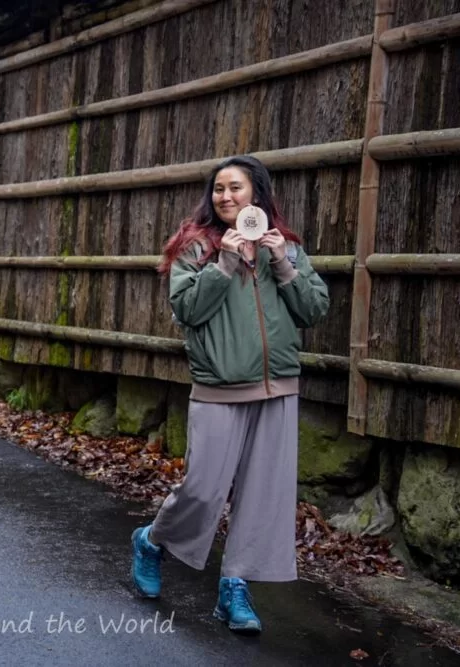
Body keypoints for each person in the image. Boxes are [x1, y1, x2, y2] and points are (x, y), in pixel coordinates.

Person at [130, 155, 329, 633]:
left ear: (256, 194)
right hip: (219, 387)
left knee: (263, 497)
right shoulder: (194, 247)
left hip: (276, 387)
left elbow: (314, 309)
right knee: (202, 490)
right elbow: (187, 310)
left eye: (235, 188)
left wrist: (282, 262)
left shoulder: (288, 249)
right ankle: (152, 541)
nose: (225, 197)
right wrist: (224, 261)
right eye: (218, 189)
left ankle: (235, 587)